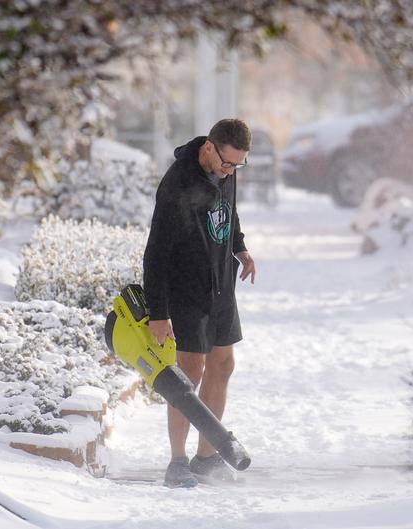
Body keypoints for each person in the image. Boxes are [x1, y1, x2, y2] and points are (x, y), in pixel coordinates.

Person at [142, 118, 257, 488]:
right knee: (188, 374)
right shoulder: (177, 184)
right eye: (227, 163)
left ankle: (207, 457)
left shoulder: (227, 171)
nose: (231, 171)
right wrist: (158, 313)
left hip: (222, 285)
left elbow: (229, 211)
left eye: (238, 165)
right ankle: (177, 463)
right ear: (209, 147)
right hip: (187, 290)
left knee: (223, 365)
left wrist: (239, 246)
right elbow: (155, 253)